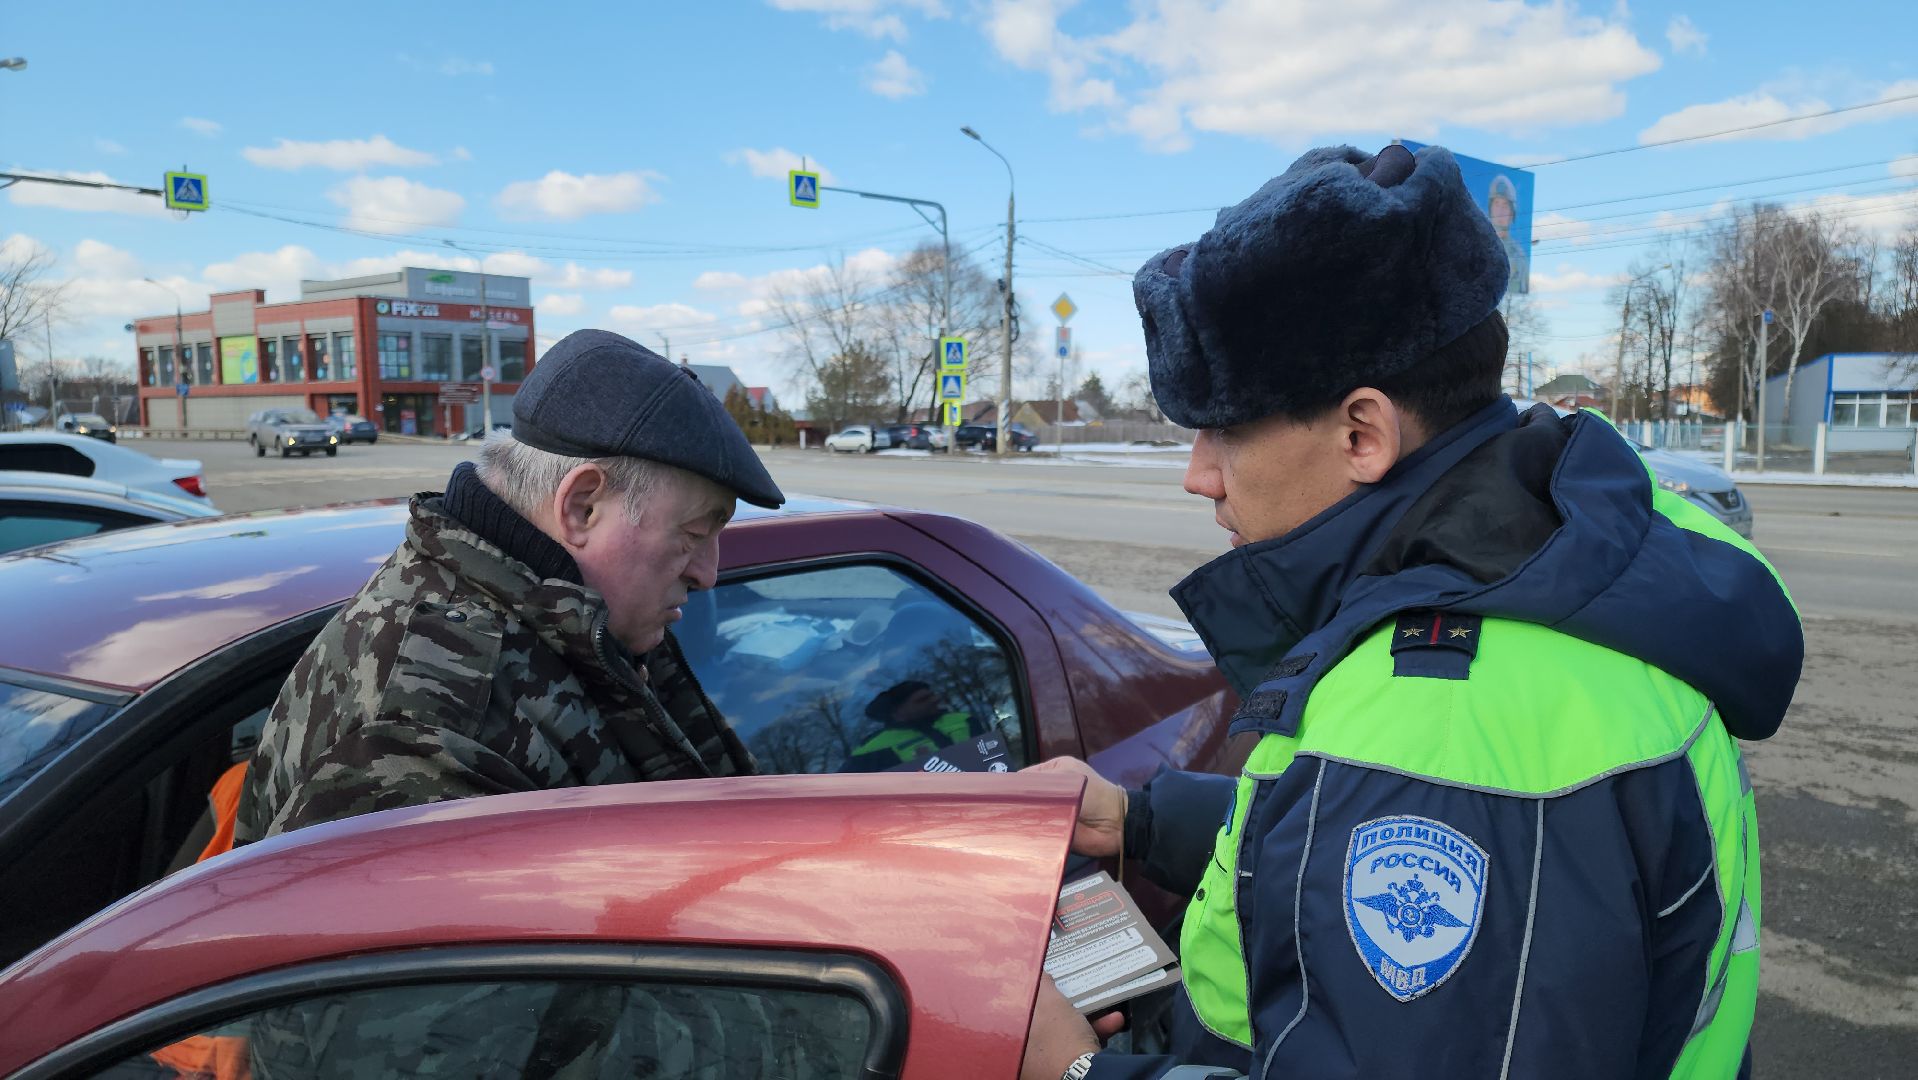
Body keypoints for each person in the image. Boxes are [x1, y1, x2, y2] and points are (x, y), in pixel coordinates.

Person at [1022, 144, 1801, 1080]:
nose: (1199, 474)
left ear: (1364, 433)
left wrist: (1075, 1074)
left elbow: (1438, 796)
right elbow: (1402, 838)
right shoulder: (1552, 547)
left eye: (1223, 428)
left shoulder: (1445, 706)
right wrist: (1147, 823)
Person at [235, 328, 783, 844]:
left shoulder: (571, 623)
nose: (707, 573)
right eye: (691, 534)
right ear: (581, 506)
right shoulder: (429, 726)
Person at [840, 679, 992, 772]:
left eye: (932, 695)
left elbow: (995, 764)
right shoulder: (870, 751)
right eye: (923, 700)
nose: (936, 699)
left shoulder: (964, 721)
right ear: (897, 712)